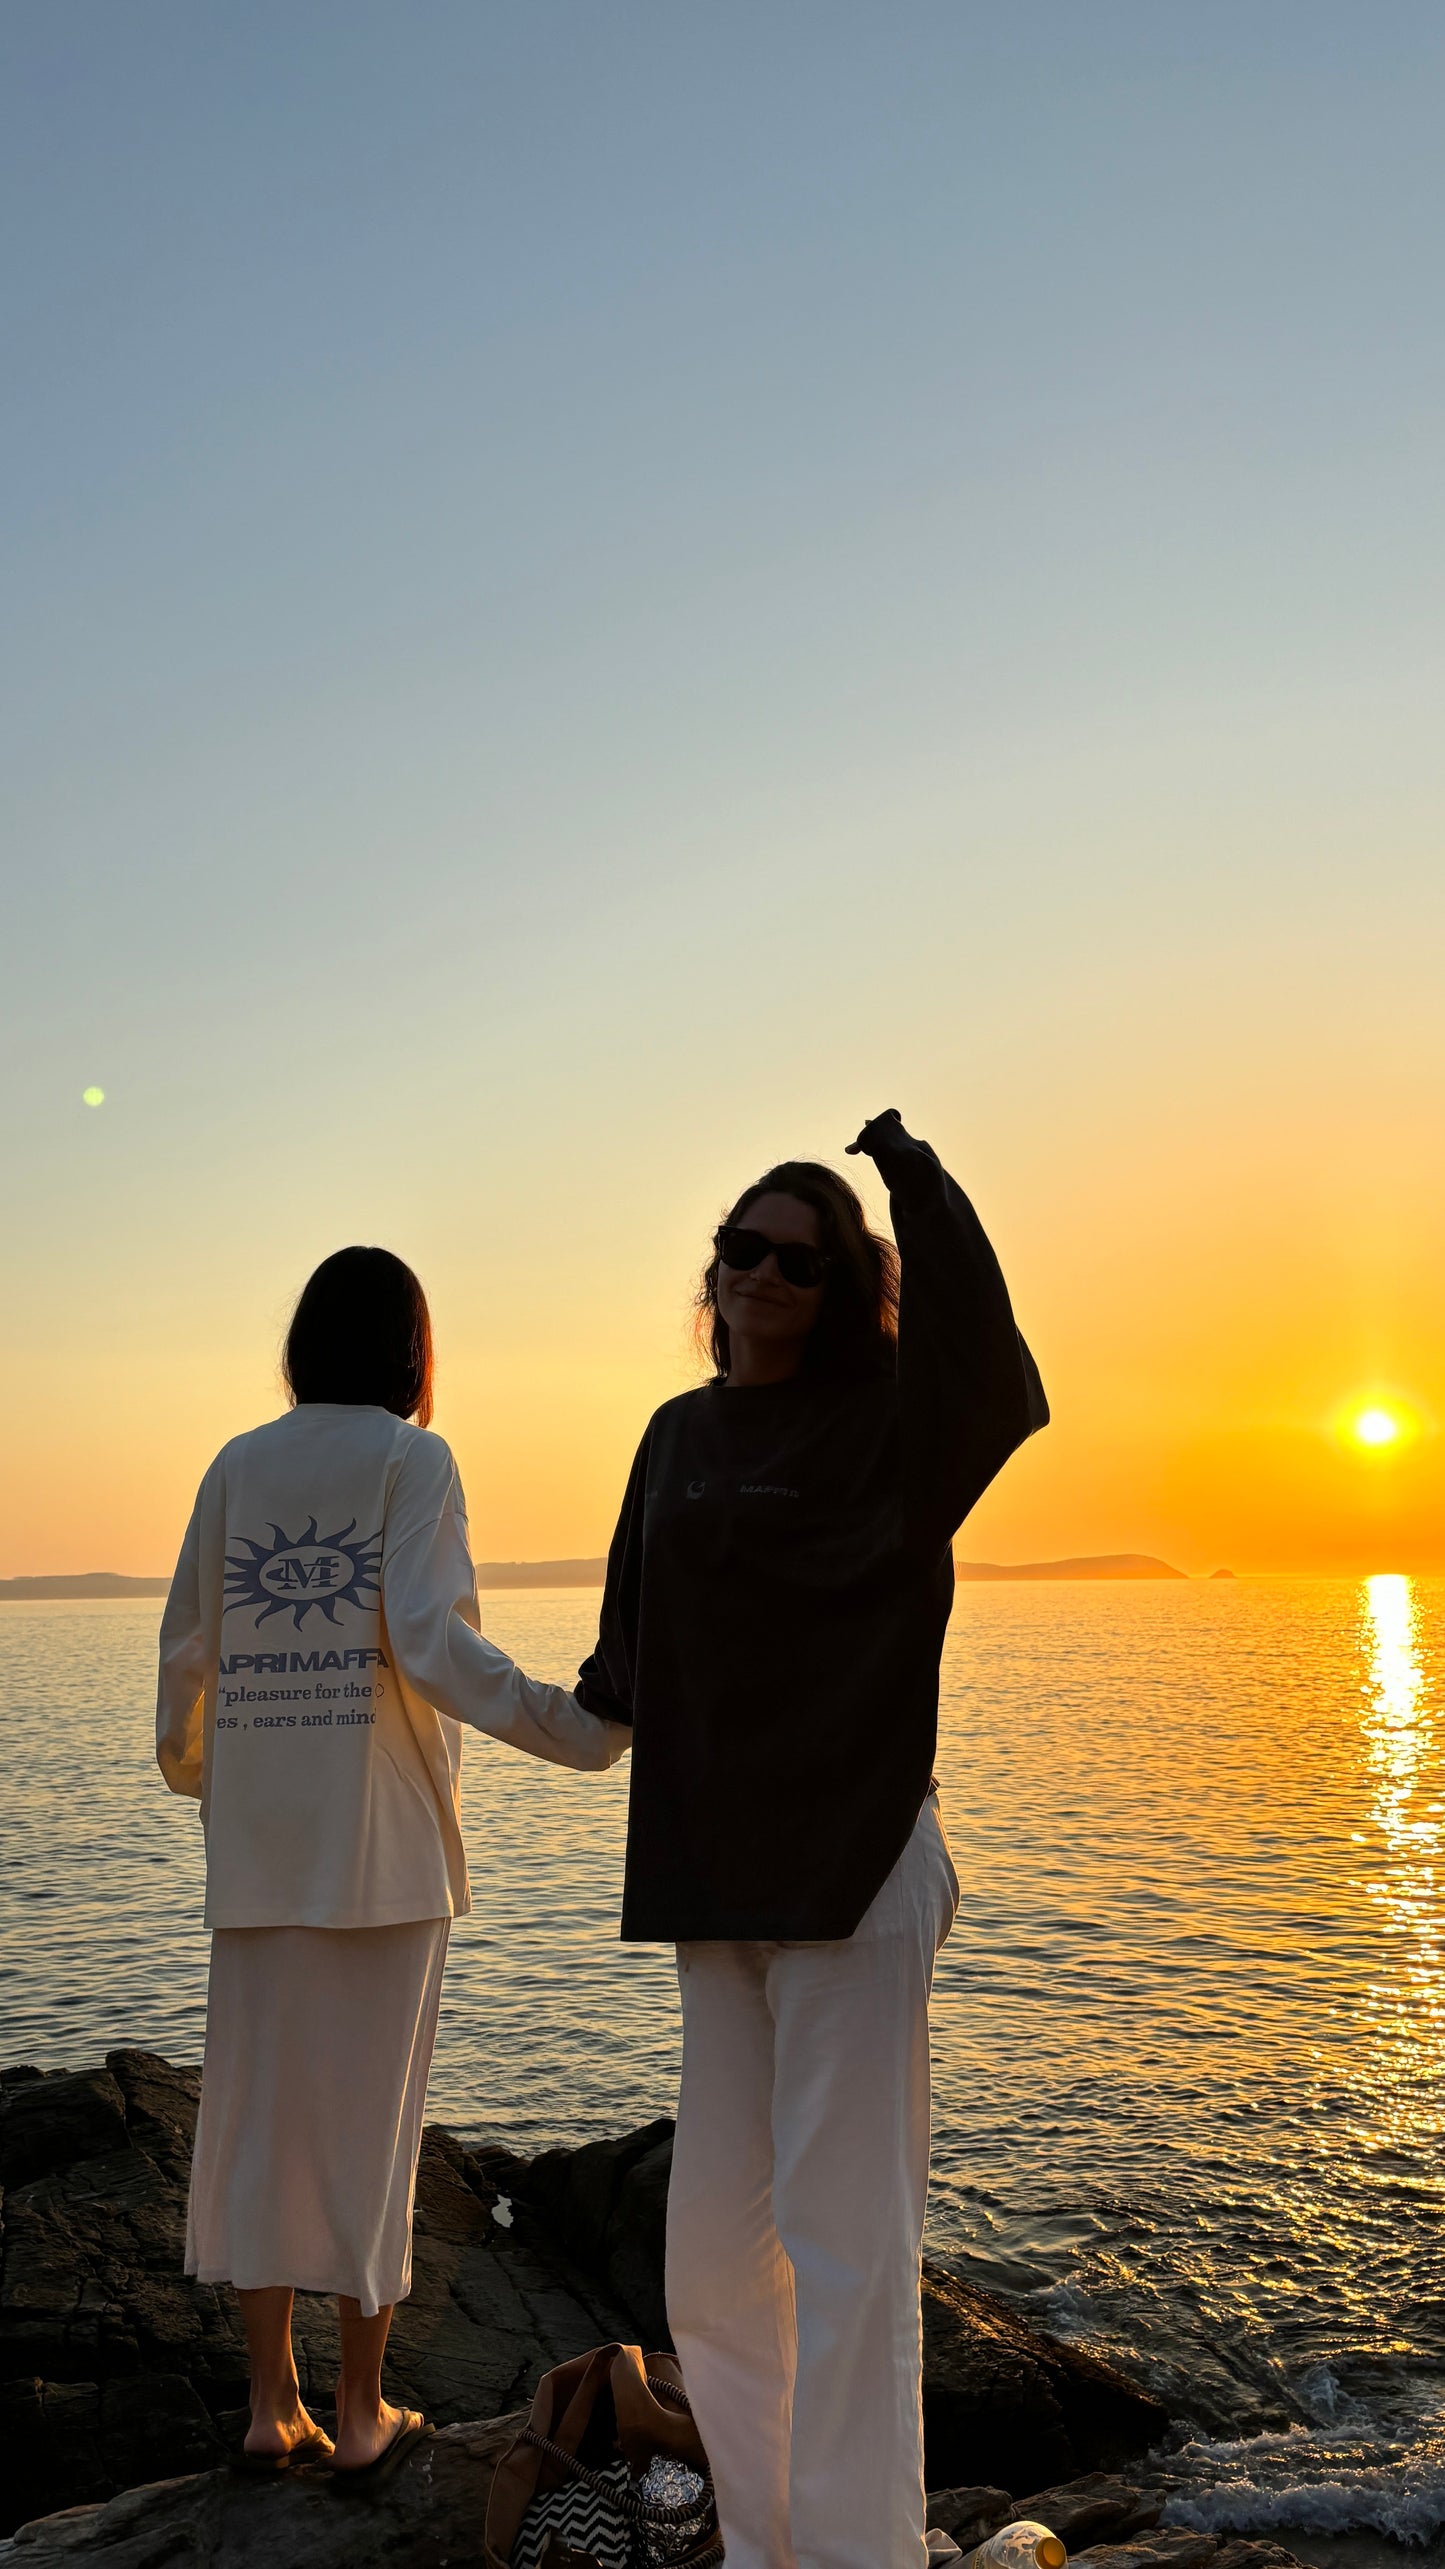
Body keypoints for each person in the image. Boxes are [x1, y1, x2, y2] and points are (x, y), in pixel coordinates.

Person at [575, 1110, 1048, 2569]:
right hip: (720, 1893)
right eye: (741, 1247)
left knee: (849, 2256)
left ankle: (861, 2555)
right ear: (708, 1271)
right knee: (717, 2265)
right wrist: (430, 1672)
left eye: (799, 1257)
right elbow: (619, 1680)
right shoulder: (675, 1436)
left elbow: (1000, 1375)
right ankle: (768, 2542)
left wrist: (911, 1177)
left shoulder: (892, 1428)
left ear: (844, 1287)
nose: (762, 1272)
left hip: (855, 1877)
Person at [156, 1246, 629, 2485]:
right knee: (370, 2129)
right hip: (378, 1848)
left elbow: (187, 1648)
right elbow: (426, 1638)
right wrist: (574, 1732)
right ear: (413, 1351)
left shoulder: (235, 1464)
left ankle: (270, 2406)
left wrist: (209, 1775)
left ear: (303, 1344)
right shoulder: (412, 1460)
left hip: (259, 1844)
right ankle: (361, 2412)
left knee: (258, 2120)